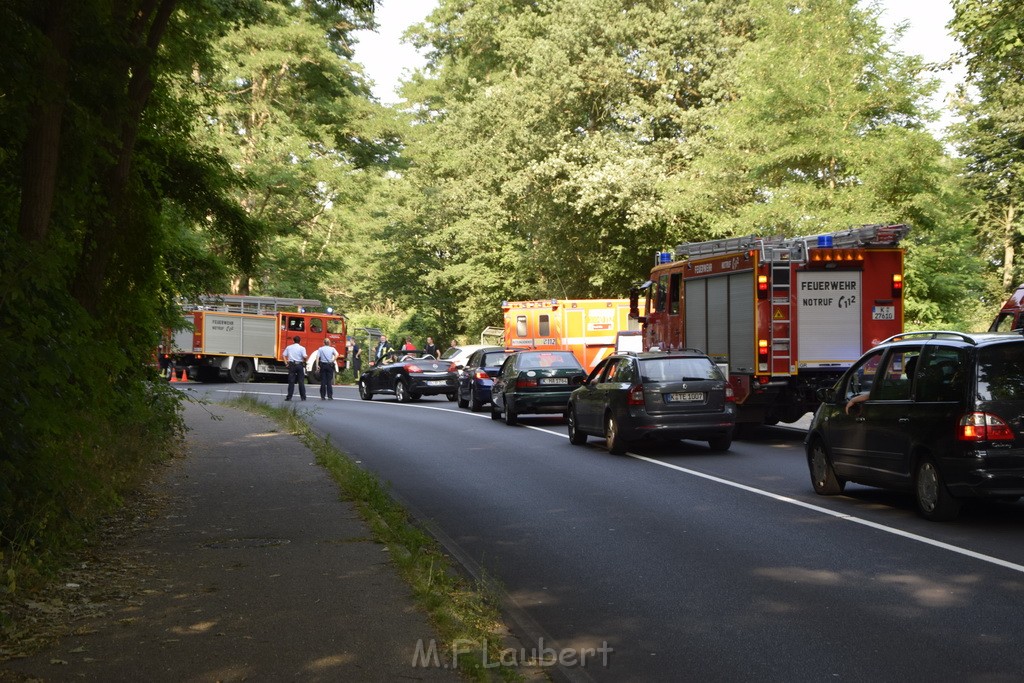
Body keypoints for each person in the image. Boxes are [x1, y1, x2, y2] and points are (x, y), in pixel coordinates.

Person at [282, 335, 308, 401]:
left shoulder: (289, 347)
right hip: (299, 365)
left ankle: (289, 397)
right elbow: (305, 357)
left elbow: (283, 355)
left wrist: (286, 364)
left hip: (292, 365)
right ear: (300, 341)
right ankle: (303, 397)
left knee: (291, 381)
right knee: (301, 381)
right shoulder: (302, 348)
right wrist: (305, 361)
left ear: (293, 341)